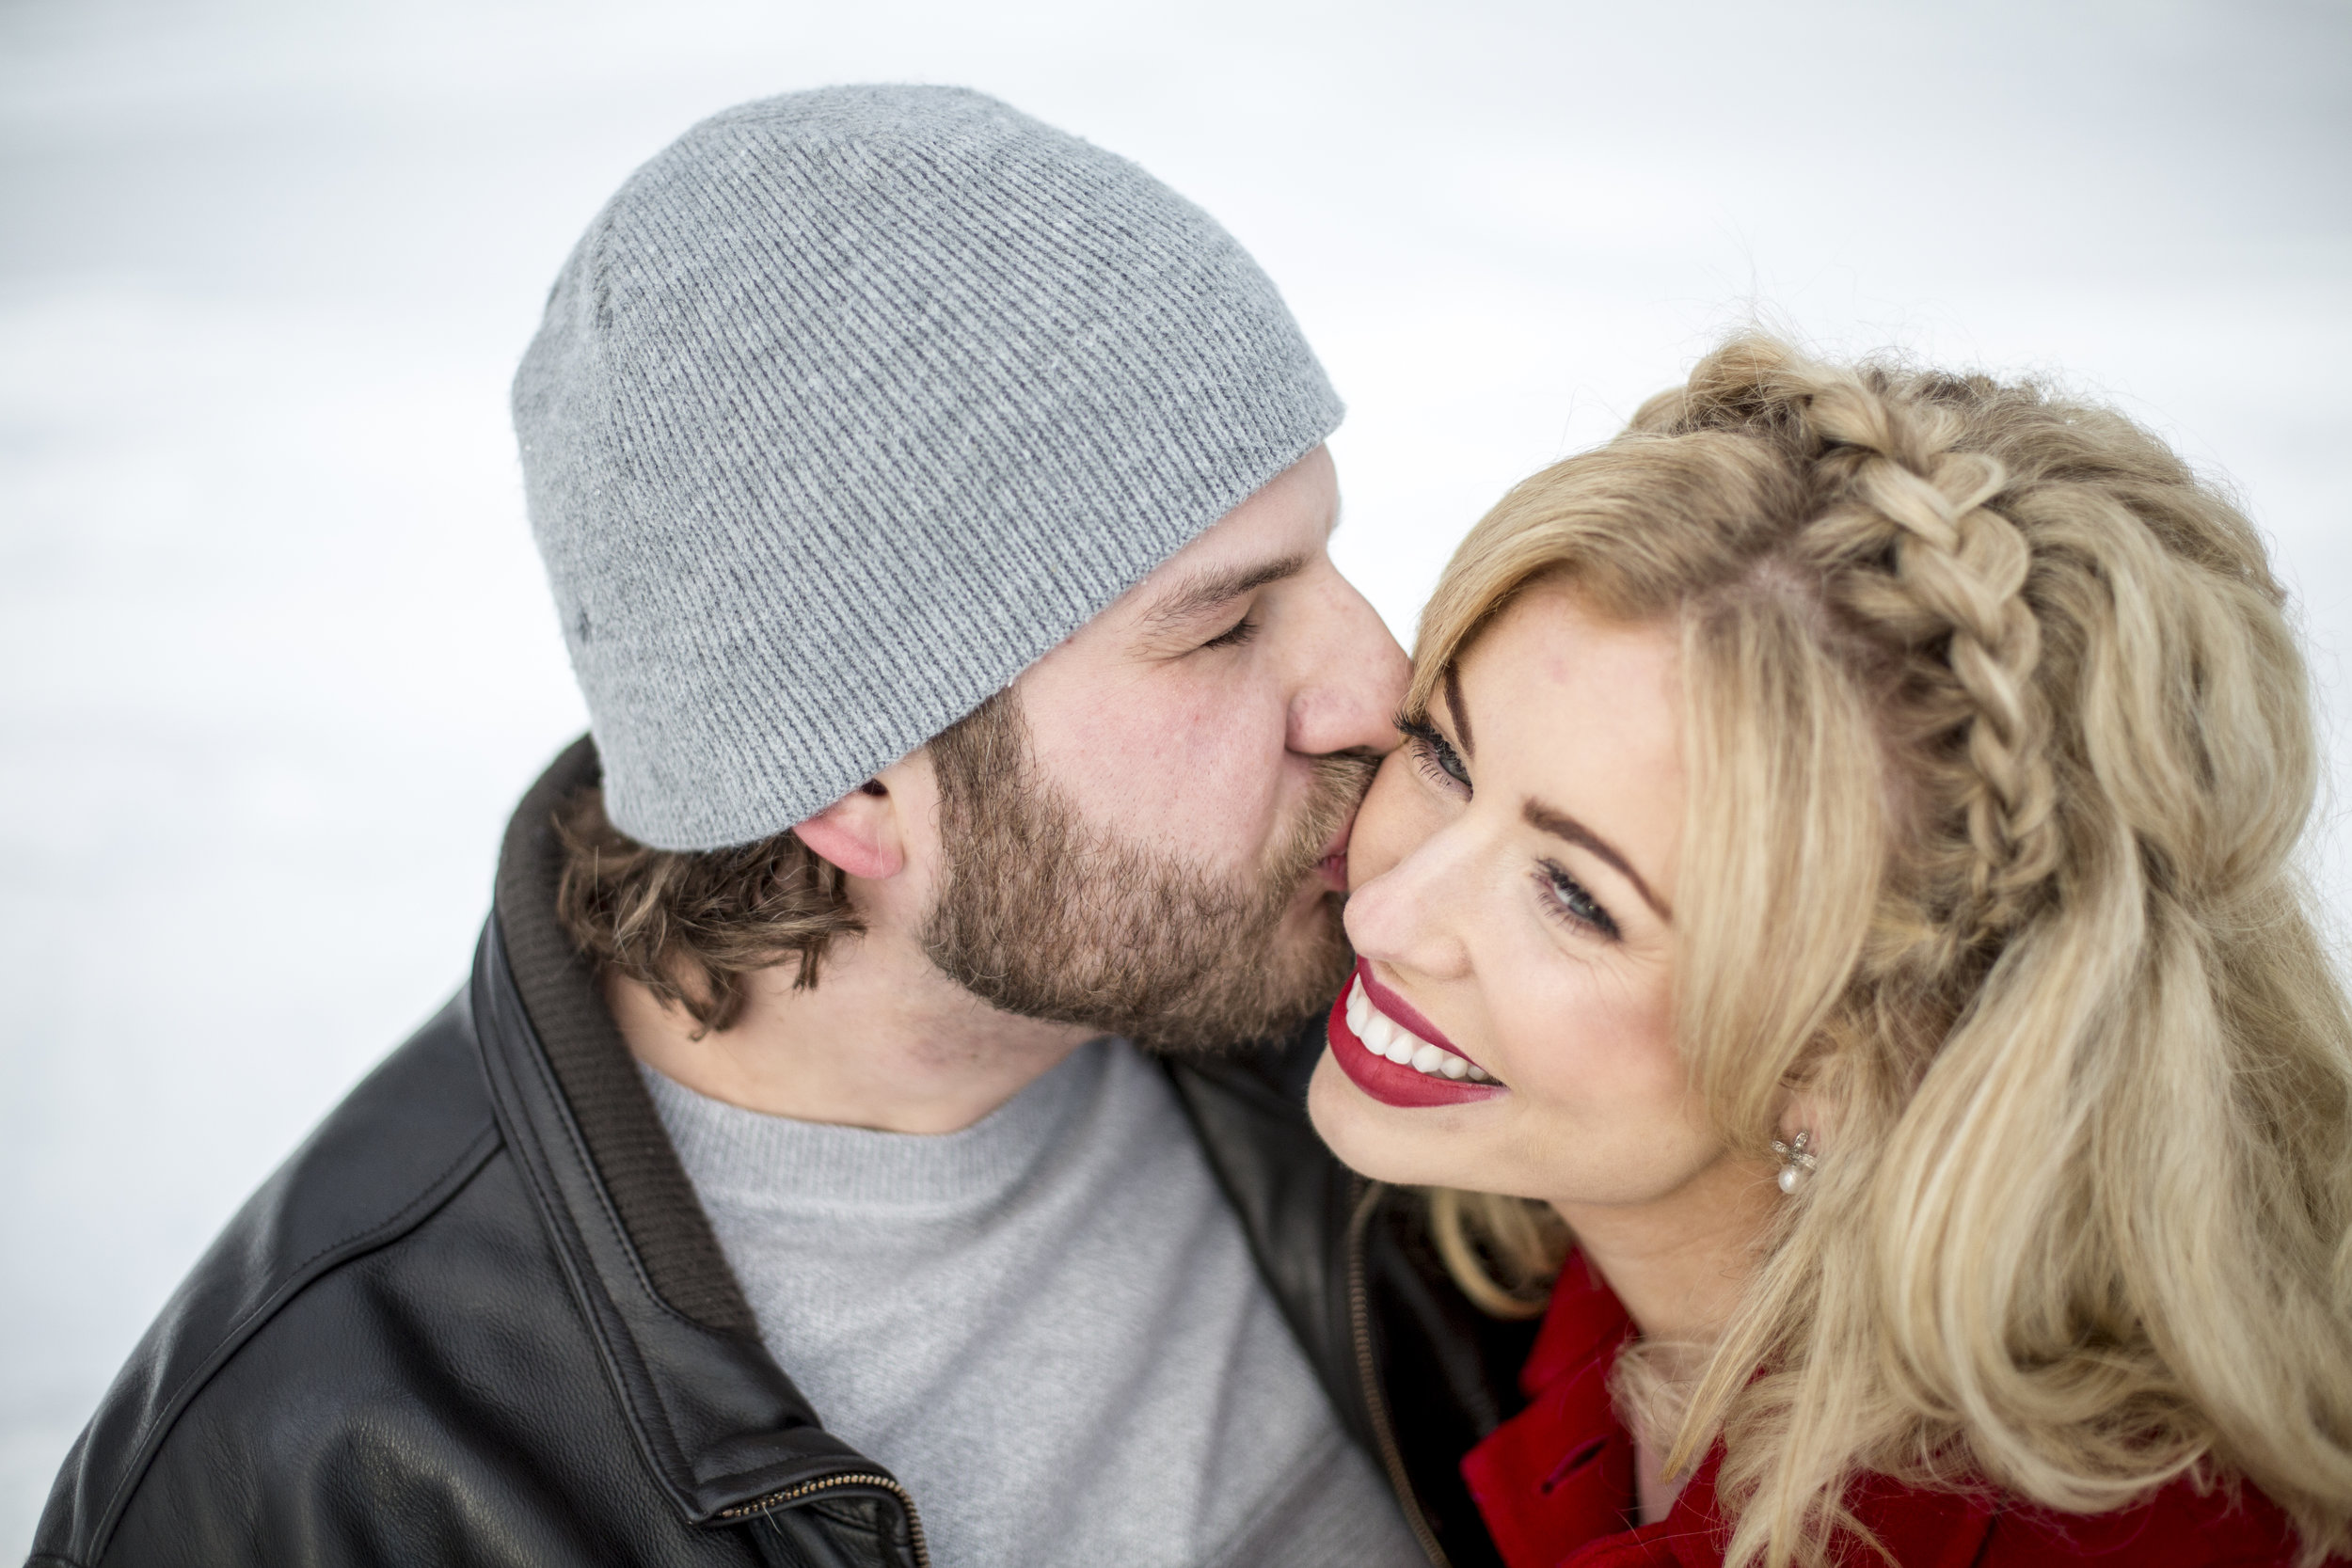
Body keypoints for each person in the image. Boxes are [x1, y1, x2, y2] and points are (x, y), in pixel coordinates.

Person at [31, 86, 1524, 1568]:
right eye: (1224, 627)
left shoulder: (1391, 980)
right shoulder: (330, 1479)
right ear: (853, 780)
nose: (1381, 689)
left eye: (1326, 556)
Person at [1309, 336, 2352, 1567]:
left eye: (1578, 897)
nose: (1379, 917)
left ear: (1869, 1059)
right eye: (1443, 754)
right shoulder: (1541, 1273)